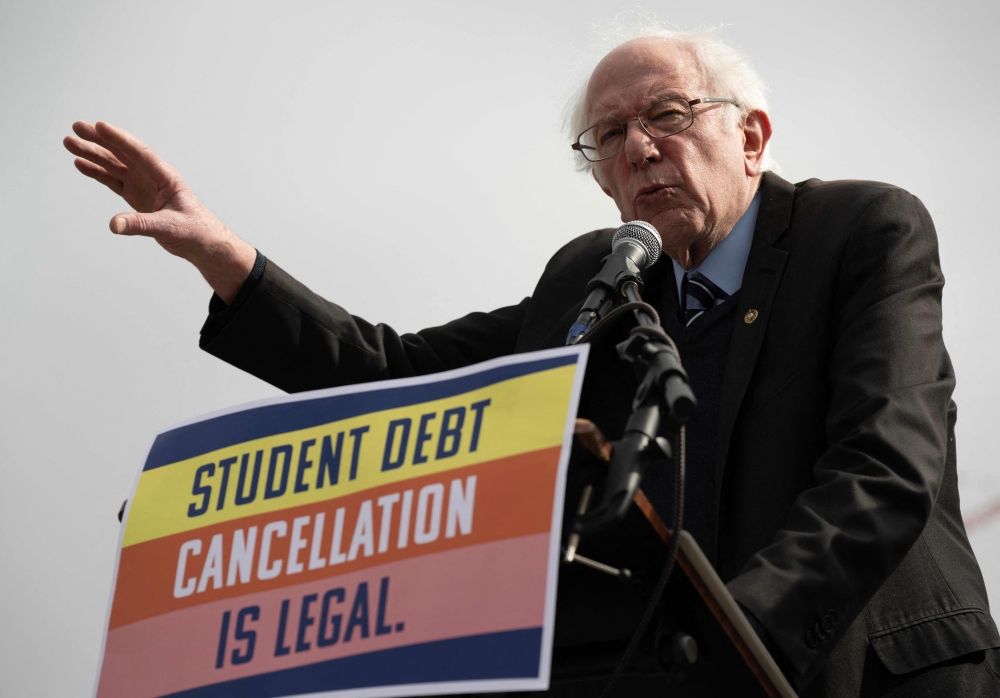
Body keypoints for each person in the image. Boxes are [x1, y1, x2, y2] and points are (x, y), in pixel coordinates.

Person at [64, 28, 999, 698]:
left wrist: (729, 632)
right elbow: (399, 377)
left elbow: (886, 466)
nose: (638, 150)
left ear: (751, 136)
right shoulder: (599, 281)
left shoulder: (862, 232)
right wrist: (224, 257)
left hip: (874, 668)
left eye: (666, 115)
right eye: (608, 139)